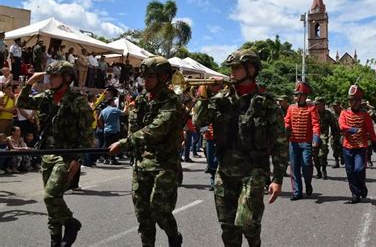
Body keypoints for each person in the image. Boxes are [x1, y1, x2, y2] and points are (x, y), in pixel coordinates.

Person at [193, 49, 288, 246]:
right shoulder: (221, 99)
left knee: (248, 223)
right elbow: (199, 121)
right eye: (231, 68)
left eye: (237, 68)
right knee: (228, 228)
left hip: (253, 171)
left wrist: (278, 178)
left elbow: (279, 143)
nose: (232, 72)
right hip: (225, 173)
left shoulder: (266, 103)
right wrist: (204, 96)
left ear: (251, 69)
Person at [16, 60, 94, 246]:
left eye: (55, 76)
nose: (50, 79)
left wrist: (77, 159)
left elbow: (86, 133)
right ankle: (55, 241)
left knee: (50, 196)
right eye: (49, 76)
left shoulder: (78, 101)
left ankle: (71, 223)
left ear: (67, 78)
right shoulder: (47, 97)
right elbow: (22, 102)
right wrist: (29, 83)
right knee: (53, 201)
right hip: (48, 153)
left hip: (66, 155)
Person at [108, 56, 184, 247]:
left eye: (151, 77)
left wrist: (125, 142)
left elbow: (158, 128)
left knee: (159, 211)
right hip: (141, 163)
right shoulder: (141, 100)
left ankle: (174, 236)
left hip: (164, 165)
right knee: (142, 214)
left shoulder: (171, 101)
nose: (146, 81)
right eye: (144, 77)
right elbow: (133, 127)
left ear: (163, 77)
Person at [339, 84, 376, 204]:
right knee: (350, 171)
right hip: (348, 146)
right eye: (349, 100)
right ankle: (355, 193)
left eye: (352, 100)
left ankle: (362, 185)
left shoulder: (365, 115)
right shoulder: (344, 113)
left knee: (359, 169)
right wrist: (353, 130)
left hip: (361, 146)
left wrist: (375, 141)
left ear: (358, 101)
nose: (350, 102)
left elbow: (370, 130)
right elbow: (342, 126)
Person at [284, 82, 320, 200]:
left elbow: (315, 124)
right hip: (293, 142)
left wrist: (315, 138)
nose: (295, 97)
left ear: (303, 96)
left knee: (306, 165)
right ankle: (297, 192)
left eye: (297, 94)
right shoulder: (291, 108)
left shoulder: (311, 108)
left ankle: (308, 183)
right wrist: (284, 128)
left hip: (306, 142)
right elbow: (287, 122)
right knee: (294, 167)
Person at [313, 96, 340, 179]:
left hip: (323, 135)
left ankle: (324, 169)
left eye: (319, 104)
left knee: (322, 153)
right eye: (316, 104)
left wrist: (335, 137)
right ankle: (318, 171)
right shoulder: (312, 113)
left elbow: (334, 126)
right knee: (315, 154)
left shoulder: (328, 114)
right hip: (314, 135)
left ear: (323, 104)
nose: (317, 106)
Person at [330, 100, 344, 168]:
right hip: (333, 133)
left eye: (336, 106)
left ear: (339, 106)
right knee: (334, 147)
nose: (334, 107)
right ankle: (336, 162)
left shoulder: (344, 113)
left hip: (342, 133)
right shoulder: (331, 114)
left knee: (342, 145)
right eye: (333, 106)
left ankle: (342, 156)